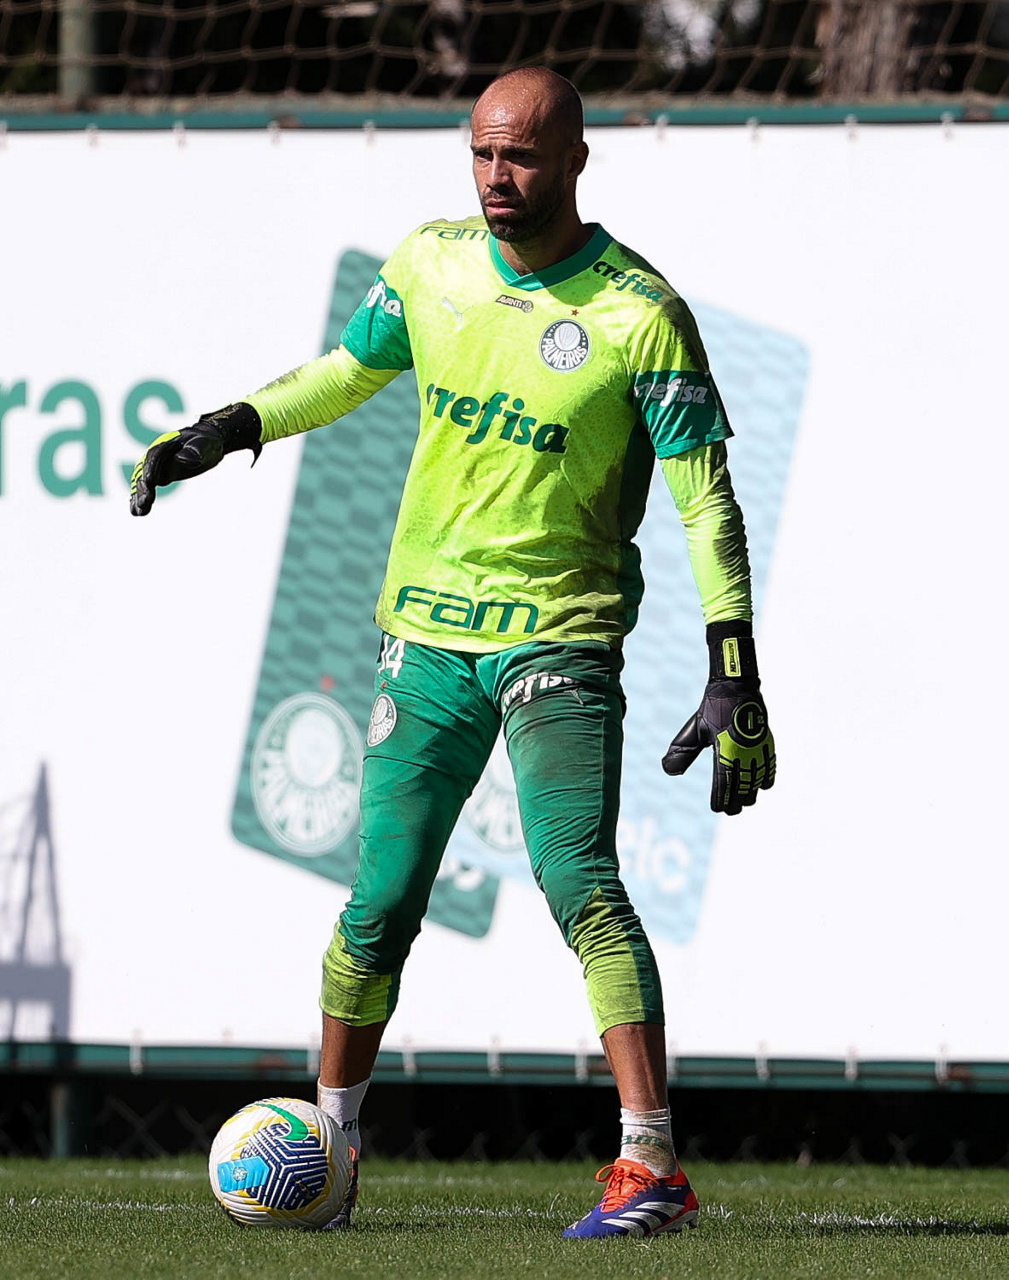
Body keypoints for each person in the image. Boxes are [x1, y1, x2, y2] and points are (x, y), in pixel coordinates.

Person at [130, 67, 775, 1239]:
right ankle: (333, 1148)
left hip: (558, 634)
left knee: (579, 881)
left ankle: (649, 1164)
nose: (495, 176)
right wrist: (230, 426)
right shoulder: (429, 263)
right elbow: (346, 371)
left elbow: (705, 500)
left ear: (575, 159)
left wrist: (732, 663)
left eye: (519, 155)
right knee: (378, 900)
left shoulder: (640, 313)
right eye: (481, 152)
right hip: (424, 633)